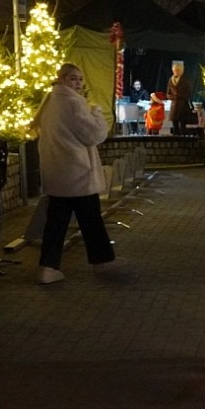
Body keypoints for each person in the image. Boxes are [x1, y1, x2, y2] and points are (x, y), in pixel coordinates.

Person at [30, 63, 120, 285]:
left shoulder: (50, 100)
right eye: (73, 79)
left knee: (57, 222)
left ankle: (48, 267)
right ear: (61, 79)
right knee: (91, 219)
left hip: (58, 172)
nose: (78, 83)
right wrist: (97, 113)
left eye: (80, 79)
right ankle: (102, 261)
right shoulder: (72, 103)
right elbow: (95, 134)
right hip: (77, 173)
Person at [166, 60, 195, 136]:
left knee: (182, 126)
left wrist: (179, 96)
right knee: (174, 125)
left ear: (181, 71)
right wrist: (173, 97)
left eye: (178, 70)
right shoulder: (170, 80)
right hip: (174, 105)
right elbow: (168, 93)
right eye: (175, 70)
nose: (176, 72)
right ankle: (176, 140)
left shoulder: (185, 80)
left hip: (182, 106)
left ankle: (183, 141)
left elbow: (189, 94)